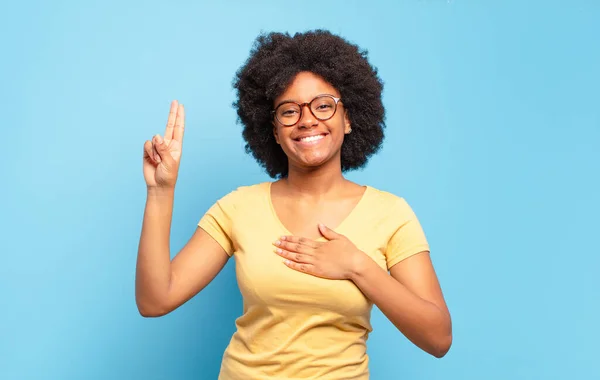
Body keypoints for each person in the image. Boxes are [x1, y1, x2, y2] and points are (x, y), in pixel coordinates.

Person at [135, 30, 452, 379]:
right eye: (289, 111)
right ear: (272, 130)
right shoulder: (237, 207)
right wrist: (160, 192)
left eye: (323, 105)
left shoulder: (391, 214)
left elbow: (438, 338)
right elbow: (155, 300)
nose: (306, 119)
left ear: (348, 118)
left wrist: (358, 266)